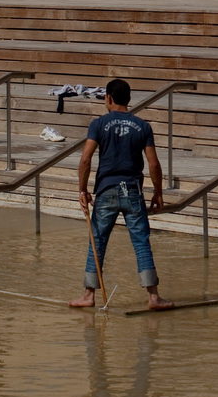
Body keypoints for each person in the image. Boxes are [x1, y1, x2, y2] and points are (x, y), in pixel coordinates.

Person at [70, 79, 173, 310]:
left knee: (97, 242)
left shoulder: (98, 124)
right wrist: (158, 193)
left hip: (106, 190)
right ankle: (154, 297)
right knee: (141, 241)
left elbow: (85, 159)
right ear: (128, 99)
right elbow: (154, 164)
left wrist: (82, 190)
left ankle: (88, 295)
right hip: (132, 190)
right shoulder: (143, 126)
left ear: (108, 98)